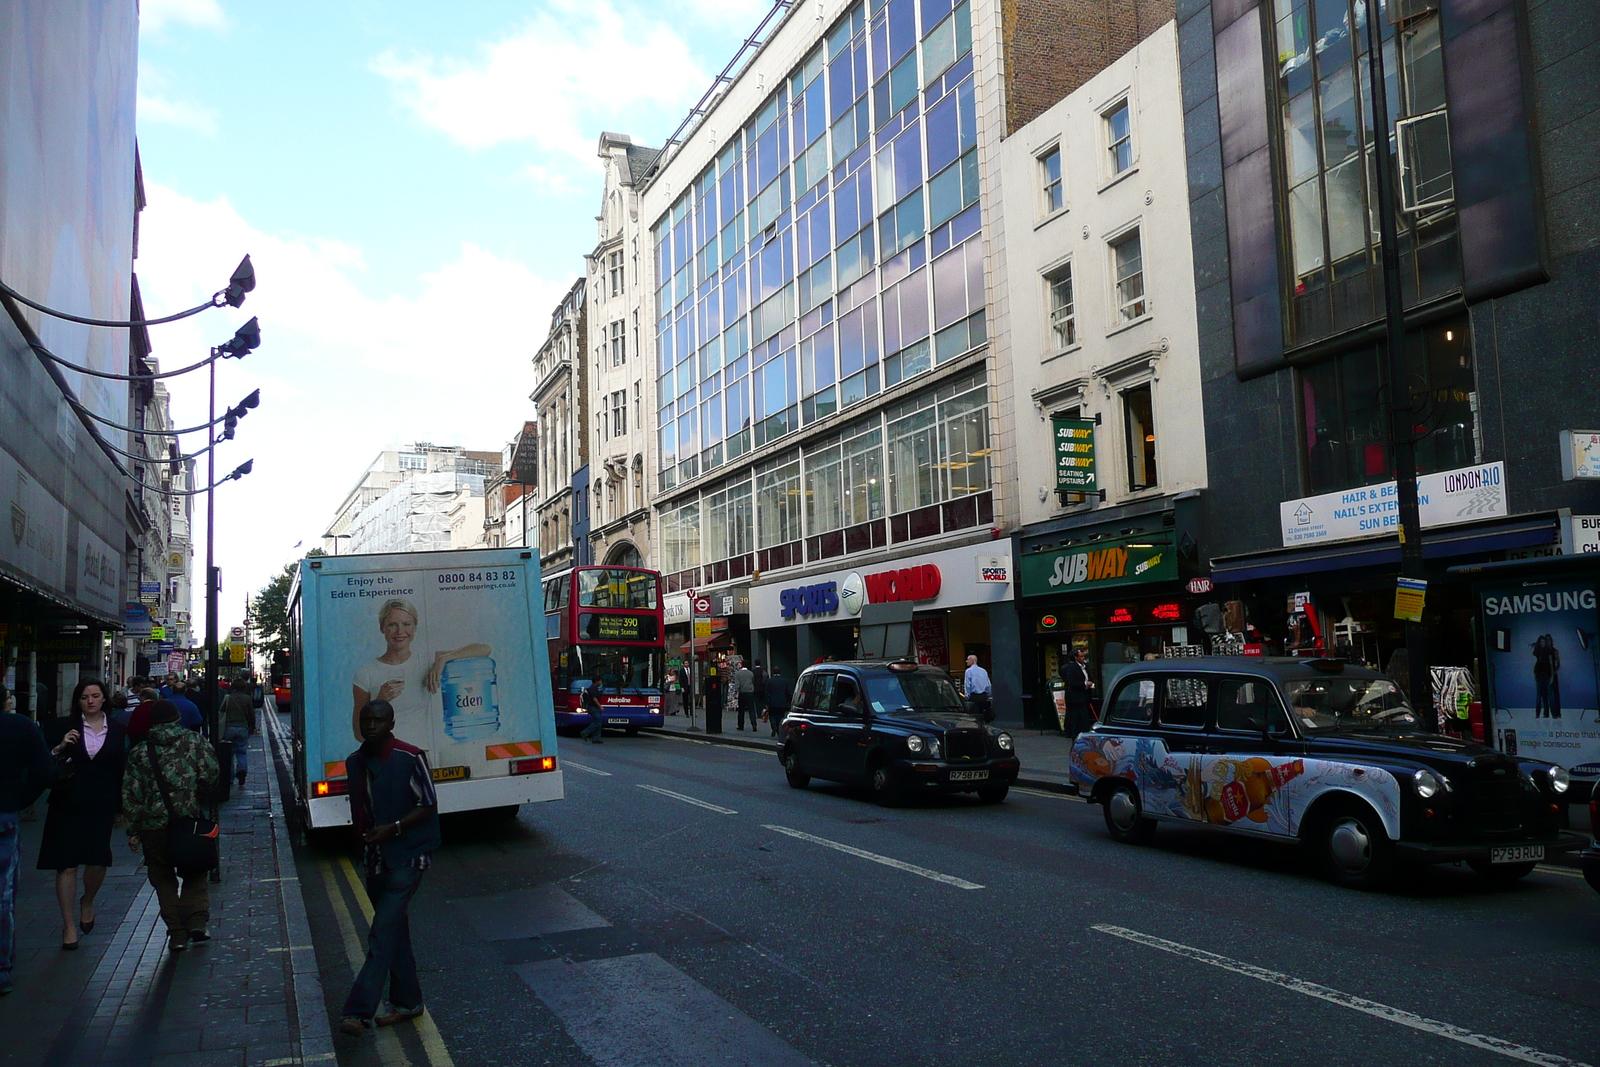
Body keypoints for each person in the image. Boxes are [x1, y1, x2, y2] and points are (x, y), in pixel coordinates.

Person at [338, 699, 440, 1036]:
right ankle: (408, 1003)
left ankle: (357, 1011)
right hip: (374, 861)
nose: (371, 726)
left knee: (382, 933)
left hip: (408, 856)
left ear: (391, 722)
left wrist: (394, 828)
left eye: (378, 720)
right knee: (395, 932)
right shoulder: (355, 762)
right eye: (366, 720)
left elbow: (428, 804)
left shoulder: (410, 757)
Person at [122, 699, 219, 953]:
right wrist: (196, 796)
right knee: (195, 871)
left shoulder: (140, 751)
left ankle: (176, 933)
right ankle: (197, 921)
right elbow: (211, 774)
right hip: (188, 820)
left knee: (162, 878)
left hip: (153, 827)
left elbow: (130, 795)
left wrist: (133, 830)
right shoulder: (195, 742)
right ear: (177, 719)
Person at [39, 678, 126, 950]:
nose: (90, 701)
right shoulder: (63, 727)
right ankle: (68, 925)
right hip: (67, 802)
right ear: (78, 701)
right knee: (66, 864)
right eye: (85, 696)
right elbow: (43, 762)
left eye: (95, 695)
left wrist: (122, 807)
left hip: (101, 803)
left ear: (104, 699)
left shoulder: (118, 729)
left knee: (97, 861)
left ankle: (87, 901)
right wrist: (59, 747)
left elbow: (121, 769)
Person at [351, 598, 490, 743]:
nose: (400, 631)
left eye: (406, 624)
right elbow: (359, 735)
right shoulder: (366, 673)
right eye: (392, 625)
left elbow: (484, 649)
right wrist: (380, 701)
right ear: (382, 628)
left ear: (415, 627)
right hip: (384, 759)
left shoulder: (426, 661)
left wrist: (444, 659)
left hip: (420, 757)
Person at [1, 685, 55, 995]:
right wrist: (20, 800)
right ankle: (2, 967)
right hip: (5, 814)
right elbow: (45, 772)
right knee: (3, 893)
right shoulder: (20, 725)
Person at [220, 677, 257, 787]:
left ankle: (230, 777)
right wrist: (252, 727)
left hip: (229, 727)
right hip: (243, 727)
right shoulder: (247, 698)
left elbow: (221, 712)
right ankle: (241, 770)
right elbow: (251, 715)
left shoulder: (228, 697)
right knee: (241, 751)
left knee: (229, 754)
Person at [1060, 648, 1095, 739]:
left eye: (1084, 656)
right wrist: (1084, 684)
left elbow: (1090, 676)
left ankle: (1081, 731)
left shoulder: (1086, 666)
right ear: (1076, 657)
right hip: (1076, 695)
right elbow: (1071, 682)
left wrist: (1090, 683)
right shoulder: (1071, 668)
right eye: (1081, 656)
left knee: (1082, 714)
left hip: (1086, 693)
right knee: (1080, 714)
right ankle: (1078, 732)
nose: (1083, 658)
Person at [963, 655, 993, 722]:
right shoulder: (983, 671)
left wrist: (967, 696)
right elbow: (988, 685)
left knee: (974, 717)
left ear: (972, 661)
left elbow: (968, 685)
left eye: (968, 659)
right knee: (983, 716)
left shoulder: (968, 671)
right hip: (983, 696)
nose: (966, 661)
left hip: (974, 696)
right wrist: (989, 695)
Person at [763, 667, 792, 738]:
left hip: (772, 702)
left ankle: (774, 726)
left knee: (772, 716)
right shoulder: (785, 681)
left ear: (773, 672)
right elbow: (788, 692)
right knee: (780, 716)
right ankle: (779, 728)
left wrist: (766, 703)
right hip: (782, 702)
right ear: (780, 672)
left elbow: (766, 693)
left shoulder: (769, 681)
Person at [734, 661, 757, 731]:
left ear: (741, 665)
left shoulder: (738, 673)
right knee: (751, 709)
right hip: (750, 693)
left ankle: (741, 726)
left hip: (742, 693)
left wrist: (736, 692)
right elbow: (753, 682)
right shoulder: (751, 673)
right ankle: (754, 724)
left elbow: (737, 684)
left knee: (741, 710)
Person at [750, 660, 767, 728]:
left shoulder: (753, 671)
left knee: (757, 701)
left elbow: (752, 680)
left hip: (756, 688)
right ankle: (763, 712)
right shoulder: (763, 670)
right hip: (762, 688)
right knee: (762, 700)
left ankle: (758, 713)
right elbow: (765, 678)